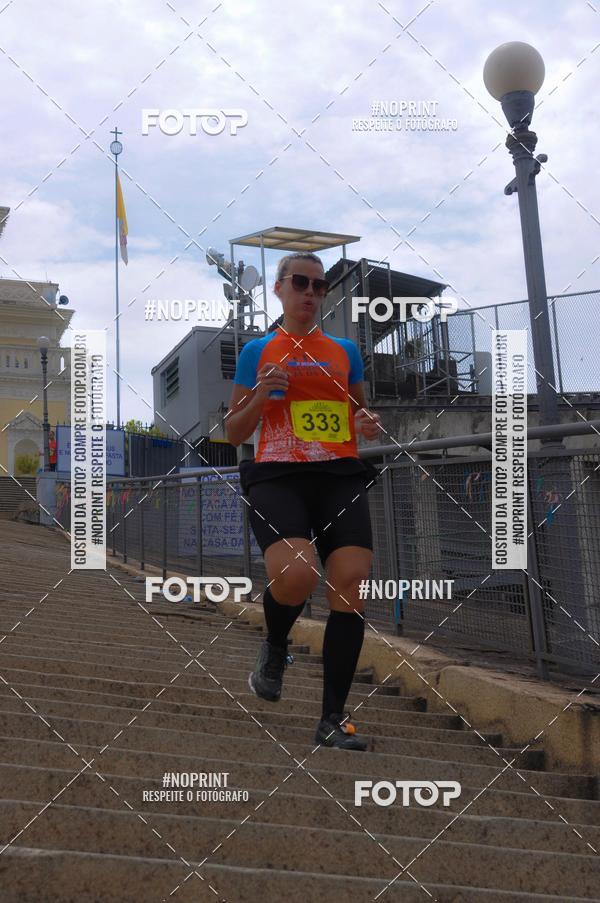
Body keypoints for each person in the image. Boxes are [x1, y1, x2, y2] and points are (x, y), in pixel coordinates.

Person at [226, 251, 382, 750]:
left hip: (338, 474)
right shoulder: (257, 352)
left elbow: (356, 414)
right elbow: (233, 433)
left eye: (319, 286)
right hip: (278, 475)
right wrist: (259, 395)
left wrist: (366, 425)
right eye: (301, 283)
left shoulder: (344, 351)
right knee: (296, 576)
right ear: (279, 289)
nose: (311, 293)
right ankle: (275, 644)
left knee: (351, 581)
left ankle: (332, 718)